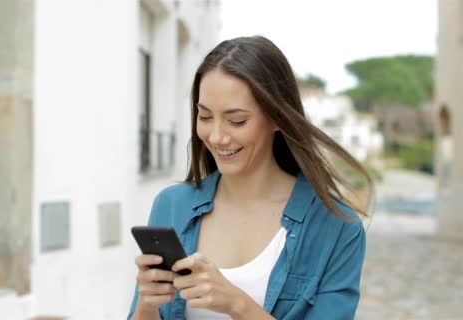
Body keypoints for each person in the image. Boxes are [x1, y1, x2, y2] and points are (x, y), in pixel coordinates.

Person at [127, 36, 373, 320]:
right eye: (205, 117)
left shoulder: (335, 226)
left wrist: (237, 304)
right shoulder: (171, 205)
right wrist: (147, 305)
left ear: (278, 117)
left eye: (237, 120)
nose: (217, 136)